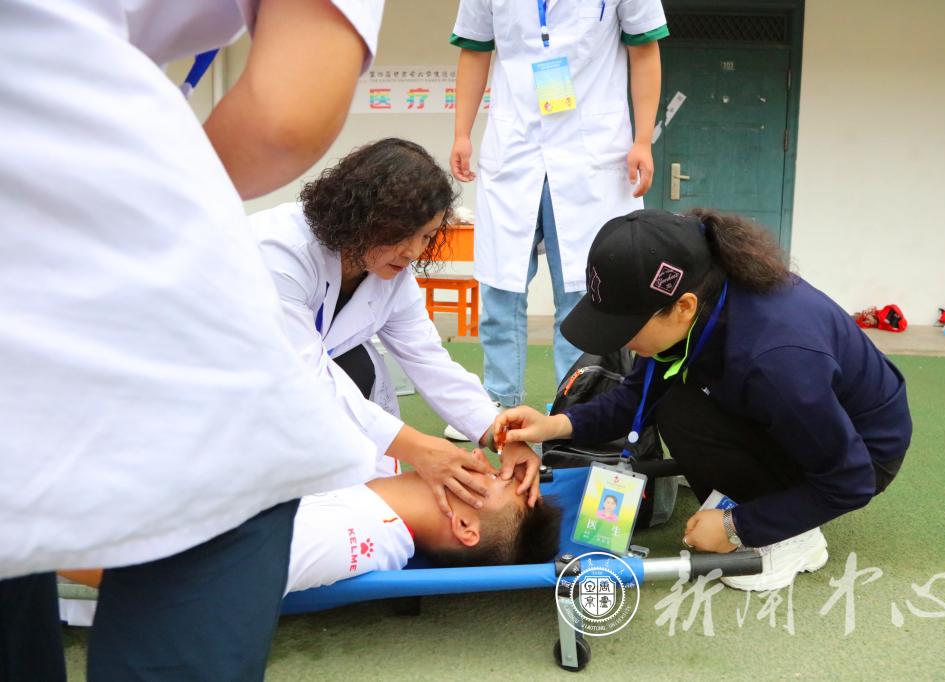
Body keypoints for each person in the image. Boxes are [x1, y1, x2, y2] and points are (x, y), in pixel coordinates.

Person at [0, 1, 386, 679]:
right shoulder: (279, 246)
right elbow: (285, 118)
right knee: (228, 495)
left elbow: (420, 354)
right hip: (150, 334)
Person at [495, 209, 913, 592]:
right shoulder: (702, 292)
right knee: (676, 407)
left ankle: (795, 539)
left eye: (626, 327)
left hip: (862, 454)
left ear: (683, 307)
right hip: (802, 412)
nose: (619, 340)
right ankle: (767, 493)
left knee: (686, 412)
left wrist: (738, 526)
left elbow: (851, 480)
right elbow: (635, 397)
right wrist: (553, 426)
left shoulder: (775, 362)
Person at [248, 138, 542, 510]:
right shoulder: (279, 251)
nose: (414, 252)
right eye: (402, 234)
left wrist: (499, 435)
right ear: (358, 215)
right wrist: (420, 448)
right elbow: (303, 378)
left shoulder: (391, 275)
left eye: (427, 236)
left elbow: (429, 361)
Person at [445, 0, 669, 430]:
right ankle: (497, 403)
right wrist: (461, 132)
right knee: (501, 288)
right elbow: (474, 50)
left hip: (592, 152)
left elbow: (644, 50)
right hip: (514, 148)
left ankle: (576, 407)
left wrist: (643, 139)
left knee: (584, 291)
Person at [58, 453, 563, 625]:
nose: (478, 460)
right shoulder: (375, 472)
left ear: (465, 528)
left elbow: (180, 579)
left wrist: (31, 543)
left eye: (491, 480)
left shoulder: (348, 537)